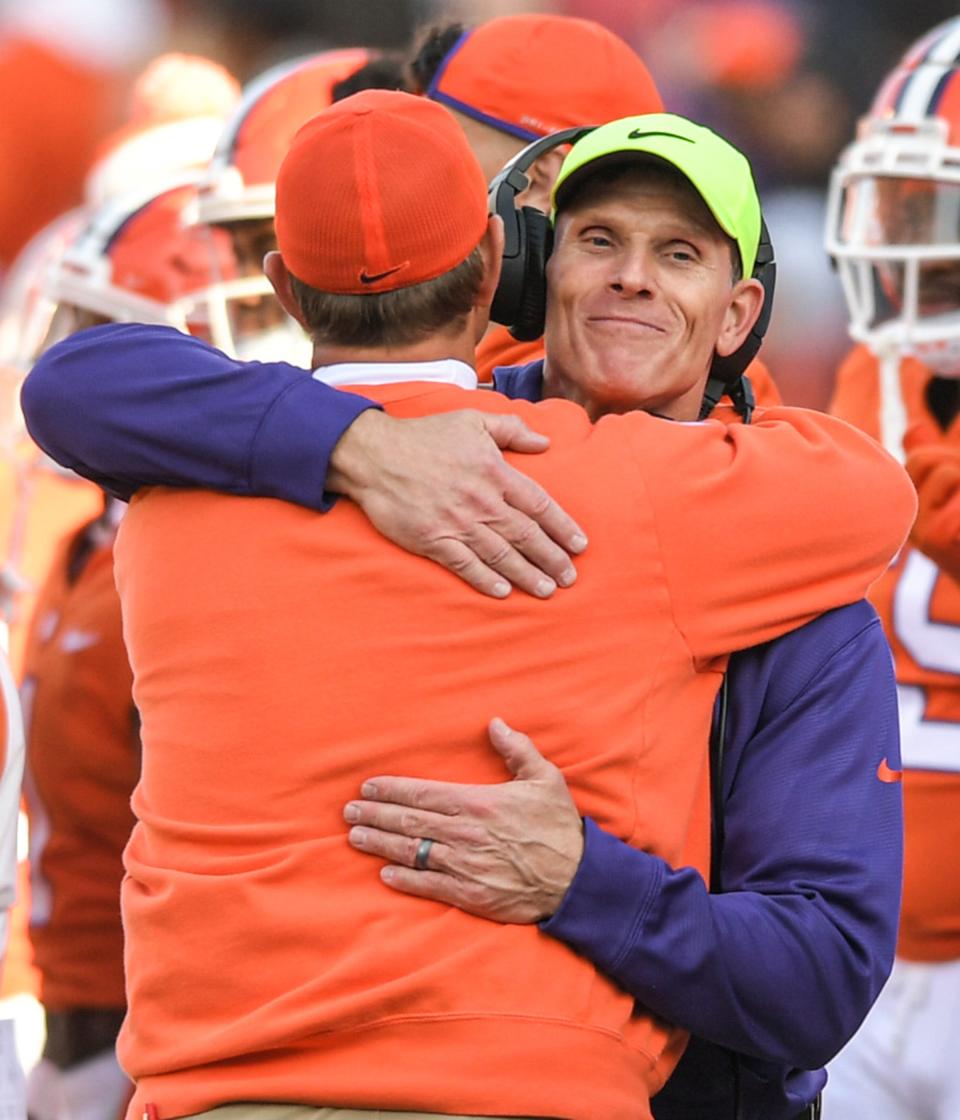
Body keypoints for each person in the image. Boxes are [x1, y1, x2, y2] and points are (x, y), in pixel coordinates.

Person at [27, 94, 914, 1120]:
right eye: (597, 239)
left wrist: (587, 880)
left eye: (680, 253)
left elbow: (816, 978)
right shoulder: (588, 479)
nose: (630, 273)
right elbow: (81, 388)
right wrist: (352, 445)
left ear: (740, 315)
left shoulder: (185, 498)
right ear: (521, 272)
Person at [21, 178, 235, 1120]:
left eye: (102, 329)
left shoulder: (188, 558)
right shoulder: (86, 537)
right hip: (54, 1014)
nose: (69, 360)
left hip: (132, 1025)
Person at [823, 17, 960, 1119]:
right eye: (908, 205)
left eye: (942, 209)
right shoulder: (874, 372)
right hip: (859, 953)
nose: (913, 240)